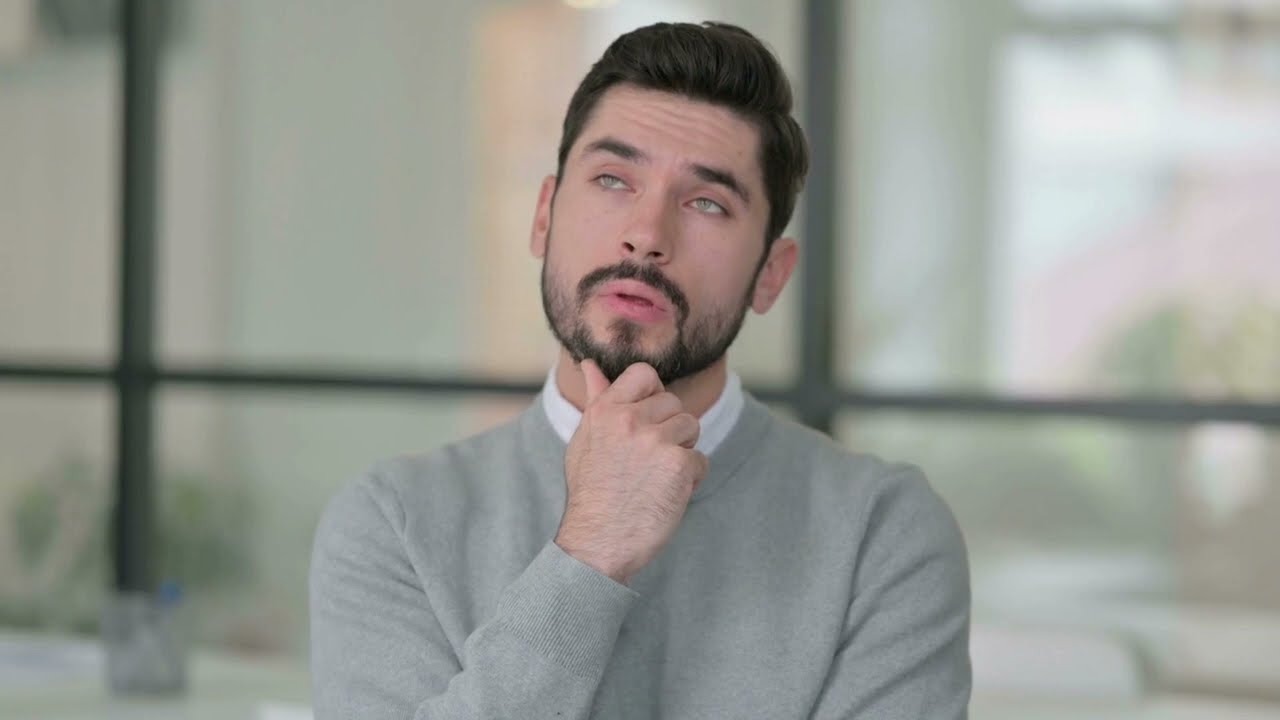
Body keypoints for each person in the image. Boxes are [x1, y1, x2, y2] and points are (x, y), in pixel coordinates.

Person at [310, 20, 970, 719]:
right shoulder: (394, 521)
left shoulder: (881, 532)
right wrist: (591, 551)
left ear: (770, 275)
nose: (647, 235)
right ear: (543, 218)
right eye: (612, 179)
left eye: (707, 202)